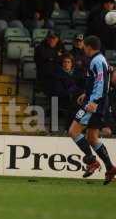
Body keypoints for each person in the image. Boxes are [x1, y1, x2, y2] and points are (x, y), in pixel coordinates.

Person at [68, 36, 116, 185]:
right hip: (97, 101)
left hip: (94, 104)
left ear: (89, 47)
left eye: (84, 46)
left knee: (73, 132)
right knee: (92, 138)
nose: (83, 48)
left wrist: (93, 101)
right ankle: (110, 168)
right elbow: (99, 82)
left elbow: (101, 83)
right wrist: (86, 94)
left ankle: (92, 161)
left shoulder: (96, 61)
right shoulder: (100, 59)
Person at [34, 30, 65, 95]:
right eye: (50, 38)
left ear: (58, 39)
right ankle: (54, 104)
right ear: (47, 38)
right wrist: (57, 57)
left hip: (58, 77)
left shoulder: (61, 48)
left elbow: (65, 60)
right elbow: (40, 62)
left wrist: (52, 58)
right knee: (55, 88)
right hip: (45, 77)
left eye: (54, 38)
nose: (51, 40)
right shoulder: (40, 48)